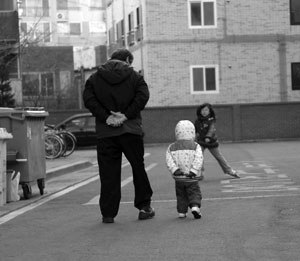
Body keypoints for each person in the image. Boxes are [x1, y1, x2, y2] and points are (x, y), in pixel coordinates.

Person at [82, 48, 154, 223]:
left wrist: (106, 117)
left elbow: (89, 100)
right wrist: (126, 115)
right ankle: (144, 207)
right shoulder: (135, 77)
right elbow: (143, 96)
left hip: (106, 133)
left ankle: (108, 213)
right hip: (130, 130)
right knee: (138, 168)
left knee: (108, 174)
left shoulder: (94, 78)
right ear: (128, 60)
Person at [166, 120, 203, 219]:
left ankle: (182, 212)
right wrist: (194, 171)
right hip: (191, 177)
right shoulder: (195, 146)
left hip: (179, 178)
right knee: (194, 192)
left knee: (181, 194)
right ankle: (195, 207)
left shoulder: (171, 147)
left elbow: (169, 160)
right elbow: (198, 159)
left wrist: (175, 170)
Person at [194, 103, 240, 180]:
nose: (204, 112)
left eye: (206, 110)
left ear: (209, 111)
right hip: (201, 142)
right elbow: (195, 130)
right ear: (199, 111)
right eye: (202, 110)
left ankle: (229, 171)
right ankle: (200, 173)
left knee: (219, 157)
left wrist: (208, 137)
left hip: (211, 141)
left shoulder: (211, 120)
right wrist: (193, 137)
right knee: (199, 157)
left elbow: (211, 129)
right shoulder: (197, 120)